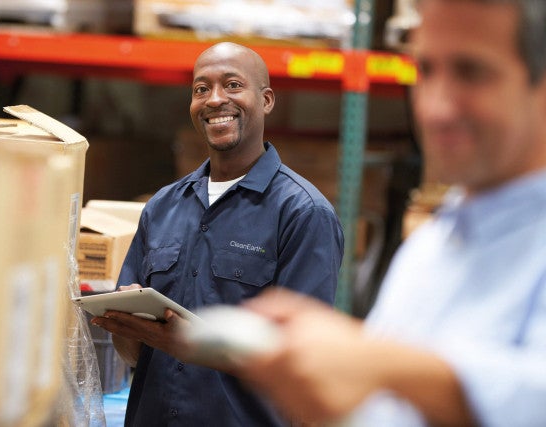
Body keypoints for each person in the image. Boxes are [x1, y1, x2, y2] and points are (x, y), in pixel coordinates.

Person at [230, 0, 546, 426]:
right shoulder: (431, 248)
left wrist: (385, 366)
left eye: (472, 72)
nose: (435, 108)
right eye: (427, 70)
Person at [91, 42, 344, 426]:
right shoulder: (163, 206)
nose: (214, 100)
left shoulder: (303, 214)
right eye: (201, 89)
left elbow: (304, 363)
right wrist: (121, 322)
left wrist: (195, 344)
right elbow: (135, 352)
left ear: (267, 100)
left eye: (232, 85)